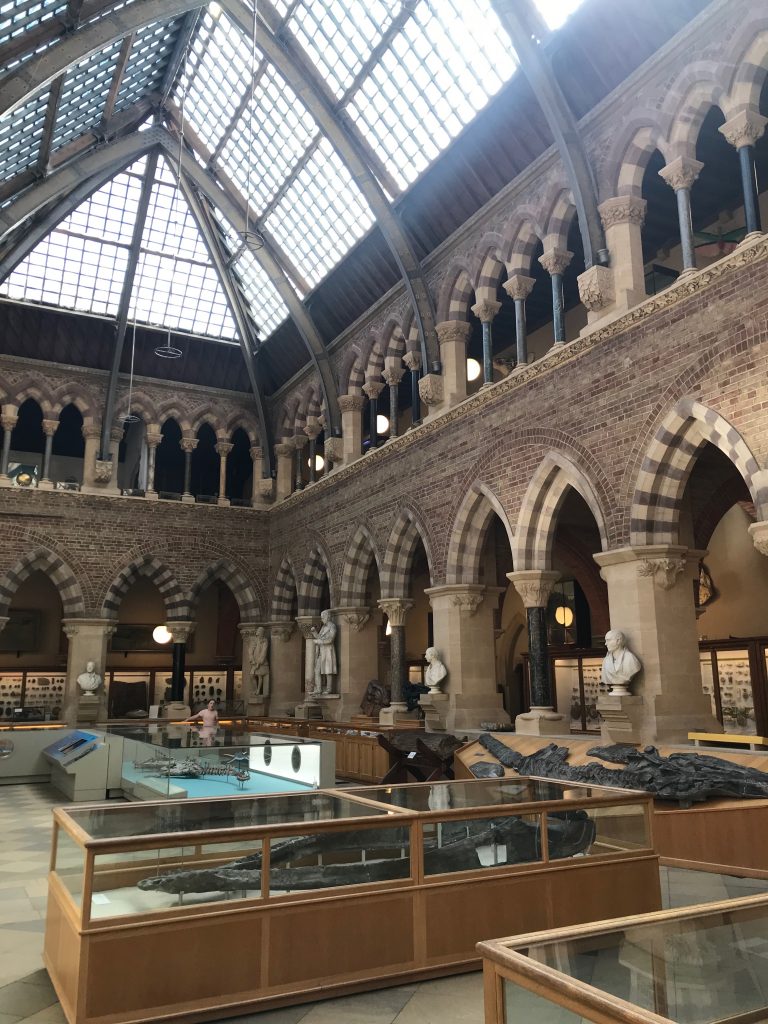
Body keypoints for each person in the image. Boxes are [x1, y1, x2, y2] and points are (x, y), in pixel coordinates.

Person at [600, 630, 641, 696]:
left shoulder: (630, 659)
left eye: (608, 640)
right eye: (606, 641)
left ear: (618, 641)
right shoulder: (606, 660)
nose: (605, 643)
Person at [311, 609, 337, 695]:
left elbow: (330, 639)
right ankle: (319, 689)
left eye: (323, 617)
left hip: (328, 651)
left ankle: (329, 689)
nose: (321, 619)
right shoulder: (323, 627)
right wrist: (314, 632)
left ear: (327, 617)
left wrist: (319, 642)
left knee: (328, 670)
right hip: (321, 652)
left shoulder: (332, 626)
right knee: (317, 670)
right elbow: (319, 637)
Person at [251, 627, 270, 697]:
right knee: (251, 675)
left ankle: (258, 690)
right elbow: (251, 650)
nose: (259, 634)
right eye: (258, 632)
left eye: (260, 632)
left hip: (262, 662)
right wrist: (252, 659)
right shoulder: (255, 640)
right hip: (254, 661)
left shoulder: (265, 641)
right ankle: (255, 689)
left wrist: (259, 662)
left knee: (260, 676)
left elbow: (264, 652)